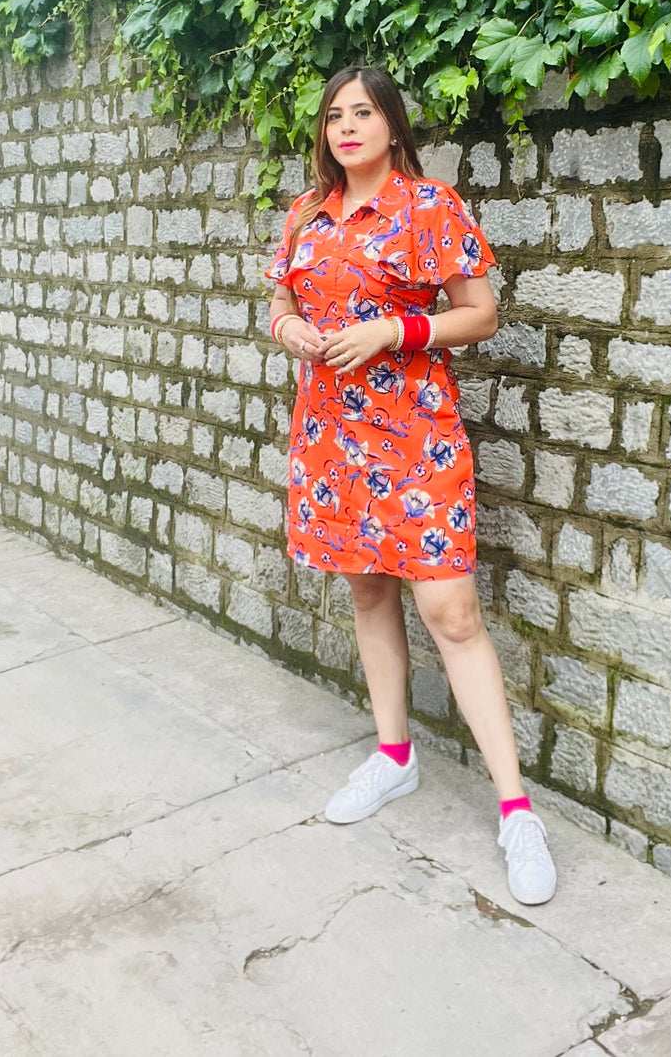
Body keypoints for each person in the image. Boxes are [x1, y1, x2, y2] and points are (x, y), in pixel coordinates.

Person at [264, 66, 557, 906]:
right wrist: (292, 330)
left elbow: (481, 313)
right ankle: (394, 754)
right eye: (334, 115)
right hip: (332, 436)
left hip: (416, 434)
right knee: (367, 591)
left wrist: (396, 328)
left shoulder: (430, 206)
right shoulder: (306, 213)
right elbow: (280, 304)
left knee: (452, 612)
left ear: (392, 124)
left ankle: (516, 810)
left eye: (363, 112)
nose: (346, 126)